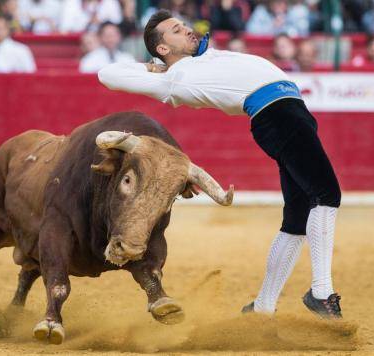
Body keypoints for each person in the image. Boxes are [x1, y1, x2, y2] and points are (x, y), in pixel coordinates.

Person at [98, 10, 343, 319]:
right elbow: (106, 74)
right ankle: (321, 291)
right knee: (326, 194)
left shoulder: (204, 58)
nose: (187, 29)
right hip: (278, 115)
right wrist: (154, 68)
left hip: (289, 113)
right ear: (163, 49)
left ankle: (262, 307)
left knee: (298, 216)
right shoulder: (175, 79)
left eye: (184, 25)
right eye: (176, 30)